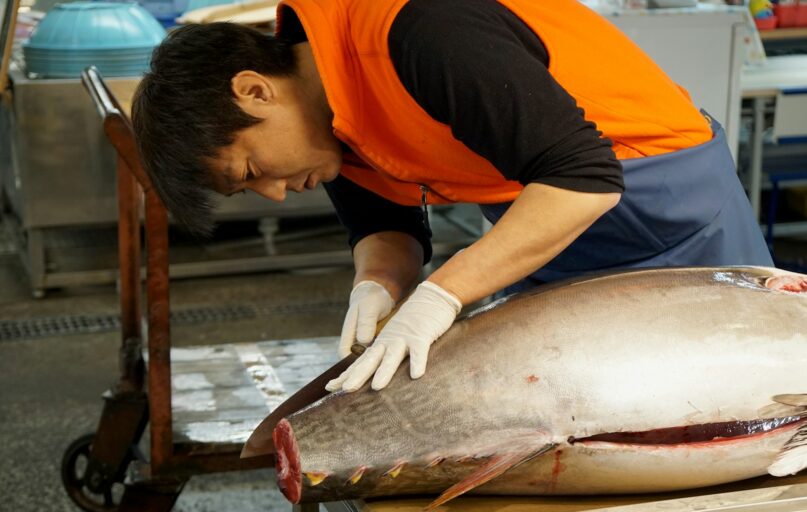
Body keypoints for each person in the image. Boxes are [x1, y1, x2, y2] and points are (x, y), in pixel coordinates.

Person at [131, 0, 773, 394]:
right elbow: (385, 221)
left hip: (663, 199)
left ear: (254, 91)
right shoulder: (328, 109)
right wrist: (379, 286)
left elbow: (584, 178)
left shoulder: (419, 29)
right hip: (540, 216)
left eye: (249, 169)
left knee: (726, 396)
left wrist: (440, 296)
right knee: (595, 405)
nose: (272, 193)